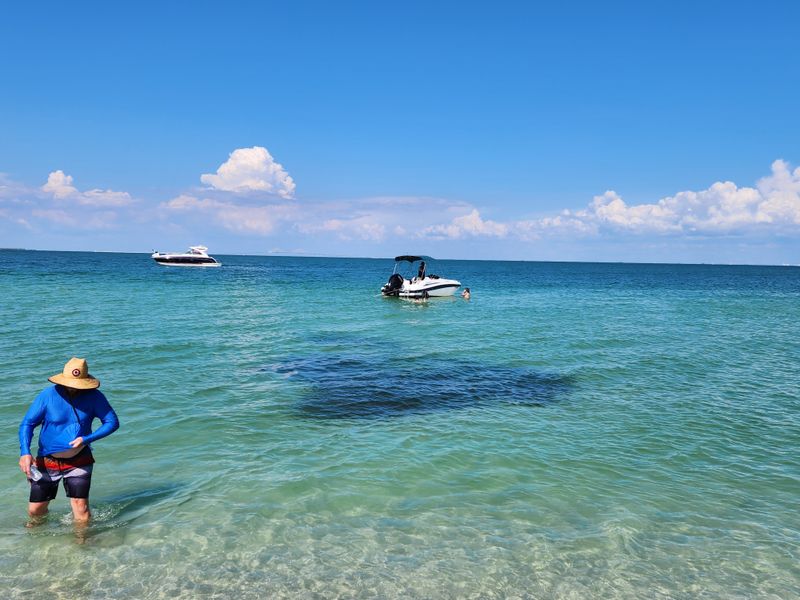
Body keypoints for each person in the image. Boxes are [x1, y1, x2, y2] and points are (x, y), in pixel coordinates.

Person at [19, 357, 119, 523]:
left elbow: (112, 422)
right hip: (48, 460)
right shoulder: (47, 396)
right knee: (35, 512)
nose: (73, 387)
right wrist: (25, 452)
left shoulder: (95, 396)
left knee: (81, 510)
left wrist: (87, 439)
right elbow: (27, 424)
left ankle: (83, 539)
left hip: (80, 460)